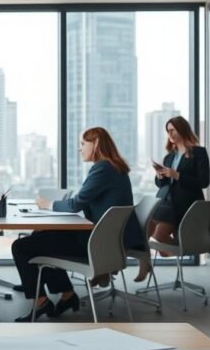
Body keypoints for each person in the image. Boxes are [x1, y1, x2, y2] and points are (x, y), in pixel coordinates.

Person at [11, 127, 141, 322]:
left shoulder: (103, 168)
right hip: (105, 243)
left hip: (94, 246)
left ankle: (42, 302)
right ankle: (67, 295)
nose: (79, 149)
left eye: (82, 144)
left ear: (95, 144)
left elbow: (75, 203)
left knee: (21, 246)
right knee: (39, 238)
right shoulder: (114, 168)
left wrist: (48, 204)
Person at [143, 116, 210, 281]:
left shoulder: (198, 152)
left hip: (186, 206)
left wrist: (177, 175)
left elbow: (204, 182)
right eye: (168, 131)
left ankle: (176, 250)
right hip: (168, 204)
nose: (170, 134)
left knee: (159, 235)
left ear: (182, 129)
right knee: (144, 228)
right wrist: (160, 176)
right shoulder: (169, 157)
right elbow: (162, 185)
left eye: (172, 130)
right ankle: (145, 263)